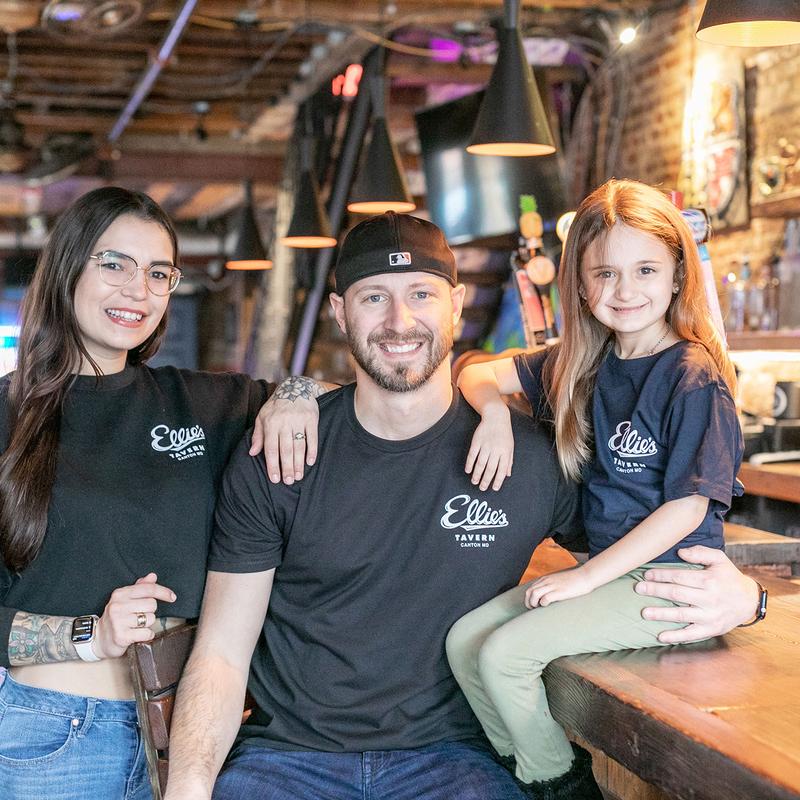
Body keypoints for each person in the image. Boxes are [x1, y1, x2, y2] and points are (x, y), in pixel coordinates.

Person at [163, 211, 761, 800]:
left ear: (455, 303)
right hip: (289, 761)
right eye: (374, 297)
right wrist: (187, 788)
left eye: (421, 294)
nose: (400, 321)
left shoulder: (535, 457)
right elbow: (220, 655)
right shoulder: (281, 453)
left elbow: (628, 554)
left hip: (458, 762)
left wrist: (745, 599)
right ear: (340, 312)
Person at [0, 187, 319, 800]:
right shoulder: (8, 418)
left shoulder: (202, 404)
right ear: (67, 268)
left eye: (157, 273)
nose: (138, 291)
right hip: (54, 738)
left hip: (195, 736)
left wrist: (295, 394)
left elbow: (353, 402)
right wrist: (90, 633)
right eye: (114, 264)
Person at [447, 179, 753, 799]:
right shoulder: (582, 361)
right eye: (605, 273)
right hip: (613, 577)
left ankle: (562, 787)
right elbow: (474, 373)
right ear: (581, 286)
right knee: (463, 642)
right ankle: (526, 774)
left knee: (504, 655)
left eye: (645, 270)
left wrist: (583, 579)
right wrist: (496, 414)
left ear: (677, 275)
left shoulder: (692, 376)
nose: (625, 290)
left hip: (672, 584)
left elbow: (687, 506)